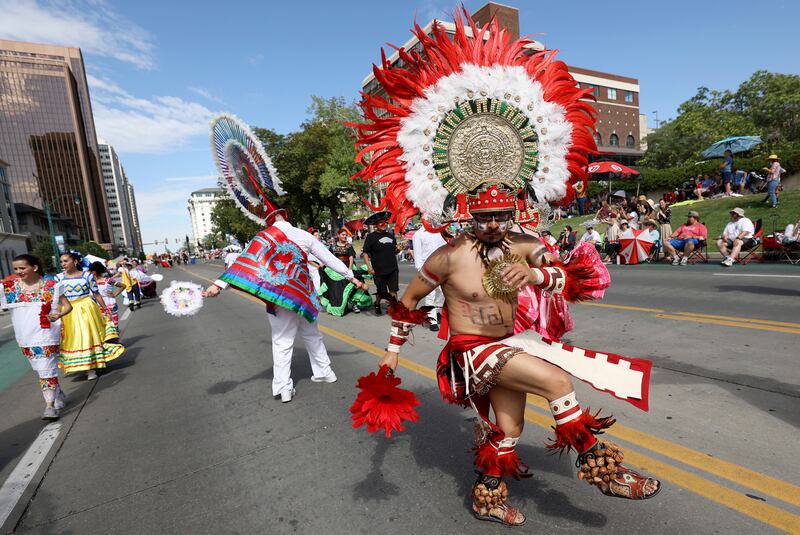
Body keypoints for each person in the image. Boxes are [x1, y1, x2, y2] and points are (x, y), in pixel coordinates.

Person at [353, 14, 660, 526]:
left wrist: (539, 277)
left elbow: (570, 279)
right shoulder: (447, 256)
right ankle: (604, 469)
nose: (495, 225)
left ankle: (487, 497)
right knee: (558, 382)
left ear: (513, 211)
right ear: (467, 213)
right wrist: (390, 357)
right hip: (469, 353)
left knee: (508, 430)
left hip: (510, 345)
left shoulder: (522, 243)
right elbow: (406, 305)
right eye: (486, 217)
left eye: (502, 216)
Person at [204, 205, 364, 403]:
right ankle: (326, 371)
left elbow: (243, 264)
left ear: (269, 221)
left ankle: (284, 388)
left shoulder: (263, 237)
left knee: (282, 341)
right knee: (312, 333)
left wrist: (218, 285)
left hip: (280, 296)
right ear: (286, 216)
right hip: (304, 294)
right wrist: (352, 277)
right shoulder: (304, 235)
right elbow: (329, 259)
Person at [1, 254, 73, 420]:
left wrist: (58, 315)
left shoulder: (50, 286)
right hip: (25, 337)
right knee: (44, 370)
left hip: (47, 334)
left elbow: (68, 307)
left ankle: (50, 406)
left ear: (34, 268)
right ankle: (58, 393)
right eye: (16, 269)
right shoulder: (9, 288)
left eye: (22, 268)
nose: (18, 272)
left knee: (46, 368)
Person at [56, 252, 124, 379]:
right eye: (61, 262)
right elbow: (57, 298)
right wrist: (56, 313)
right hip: (68, 311)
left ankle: (91, 368)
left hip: (86, 308)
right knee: (73, 337)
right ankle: (80, 364)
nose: (63, 264)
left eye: (66, 261)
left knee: (87, 335)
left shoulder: (87, 276)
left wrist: (105, 309)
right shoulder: (58, 278)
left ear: (75, 262)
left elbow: (96, 294)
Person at [319, 228, 372, 315]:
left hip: (348, 267)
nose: (344, 236)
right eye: (343, 235)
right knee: (338, 289)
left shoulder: (349, 246)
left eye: (345, 235)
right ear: (338, 235)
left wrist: (349, 269)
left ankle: (354, 305)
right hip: (337, 269)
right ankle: (343, 306)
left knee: (353, 286)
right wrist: (323, 264)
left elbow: (351, 257)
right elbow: (330, 258)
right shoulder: (333, 246)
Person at [412, 225, 447, 331]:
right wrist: (421, 272)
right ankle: (432, 320)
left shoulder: (440, 231)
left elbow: (445, 248)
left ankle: (436, 312)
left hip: (441, 267)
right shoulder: (418, 234)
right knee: (430, 295)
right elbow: (418, 256)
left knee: (442, 293)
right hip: (427, 269)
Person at [362, 214, 399, 316]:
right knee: (382, 292)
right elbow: (365, 252)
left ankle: (394, 308)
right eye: (381, 223)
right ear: (376, 225)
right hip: (378, 270)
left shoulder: (391, 236)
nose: (384, 225)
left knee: (393, 290)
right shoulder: (371, 237)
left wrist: (397, 250)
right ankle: (377, 304)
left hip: (392, 268)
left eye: (385, 223)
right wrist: (369, 267)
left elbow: (393, 250)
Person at [88, 261, 125, 343]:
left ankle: (116, 344)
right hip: (98, 307)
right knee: (103, 327)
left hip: (110, 305)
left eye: (90, 271)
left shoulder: (108, 280)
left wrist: (115, 294)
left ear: (94, 272)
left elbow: (123, 286)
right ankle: (110, 344)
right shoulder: (90, 283)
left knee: (114, 326)